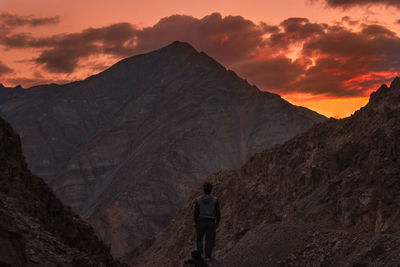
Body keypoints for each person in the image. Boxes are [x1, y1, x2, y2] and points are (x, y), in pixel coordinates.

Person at [194, 182, 221, 261]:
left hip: (201, 221)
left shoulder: (198, 199)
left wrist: (196, 223)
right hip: (211, 222)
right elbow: (217, 213)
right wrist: (217, 222)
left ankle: (200, 255)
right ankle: (208, 256)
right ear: (211, 190)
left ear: (204, 189)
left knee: (199, 239)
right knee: (209, 240)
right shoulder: (215, 200)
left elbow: (196, 213)